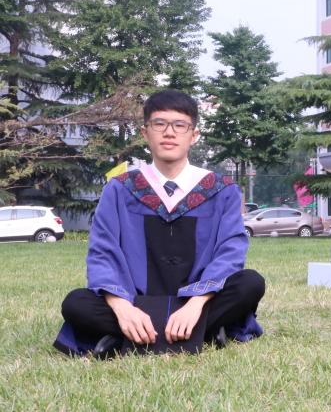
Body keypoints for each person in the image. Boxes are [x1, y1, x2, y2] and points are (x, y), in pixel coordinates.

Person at [54, 90, 265, 357]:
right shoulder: (120, 189)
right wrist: (123, 307)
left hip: (195, 302)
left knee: (250, 283)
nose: (169, 132)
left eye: (180, 125)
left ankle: (132, 337)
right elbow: (102, 252)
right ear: (145, 133)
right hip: (135, 302)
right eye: (159, 124)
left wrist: (196, 304)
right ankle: (202, 332)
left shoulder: (221, 190)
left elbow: (230, 251)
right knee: (76, 303)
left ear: (194, 135)